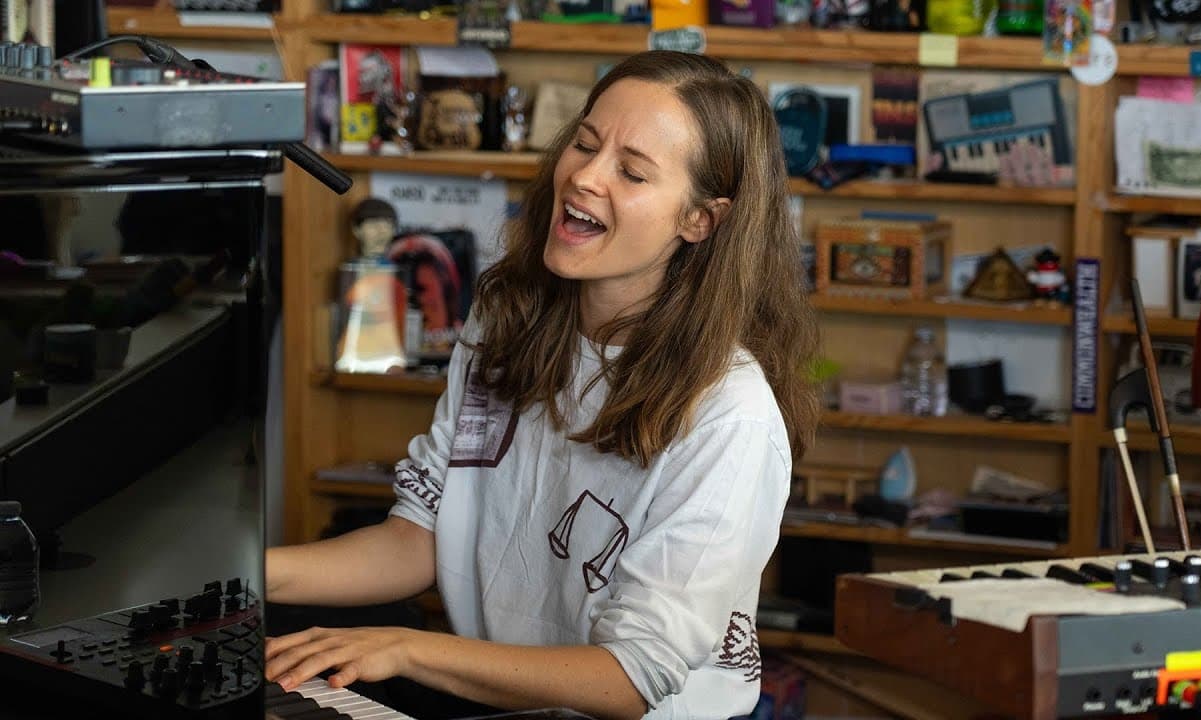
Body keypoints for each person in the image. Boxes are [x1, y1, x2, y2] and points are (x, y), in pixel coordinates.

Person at [264, 50, 820, 720]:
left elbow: (629, 679)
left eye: (632, 171)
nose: (585, 175)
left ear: (699, 220)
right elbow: (424, 535)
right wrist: (240, 575)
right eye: (585, 144)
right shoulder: (506, 320)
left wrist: (407, 649)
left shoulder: (730, 414)